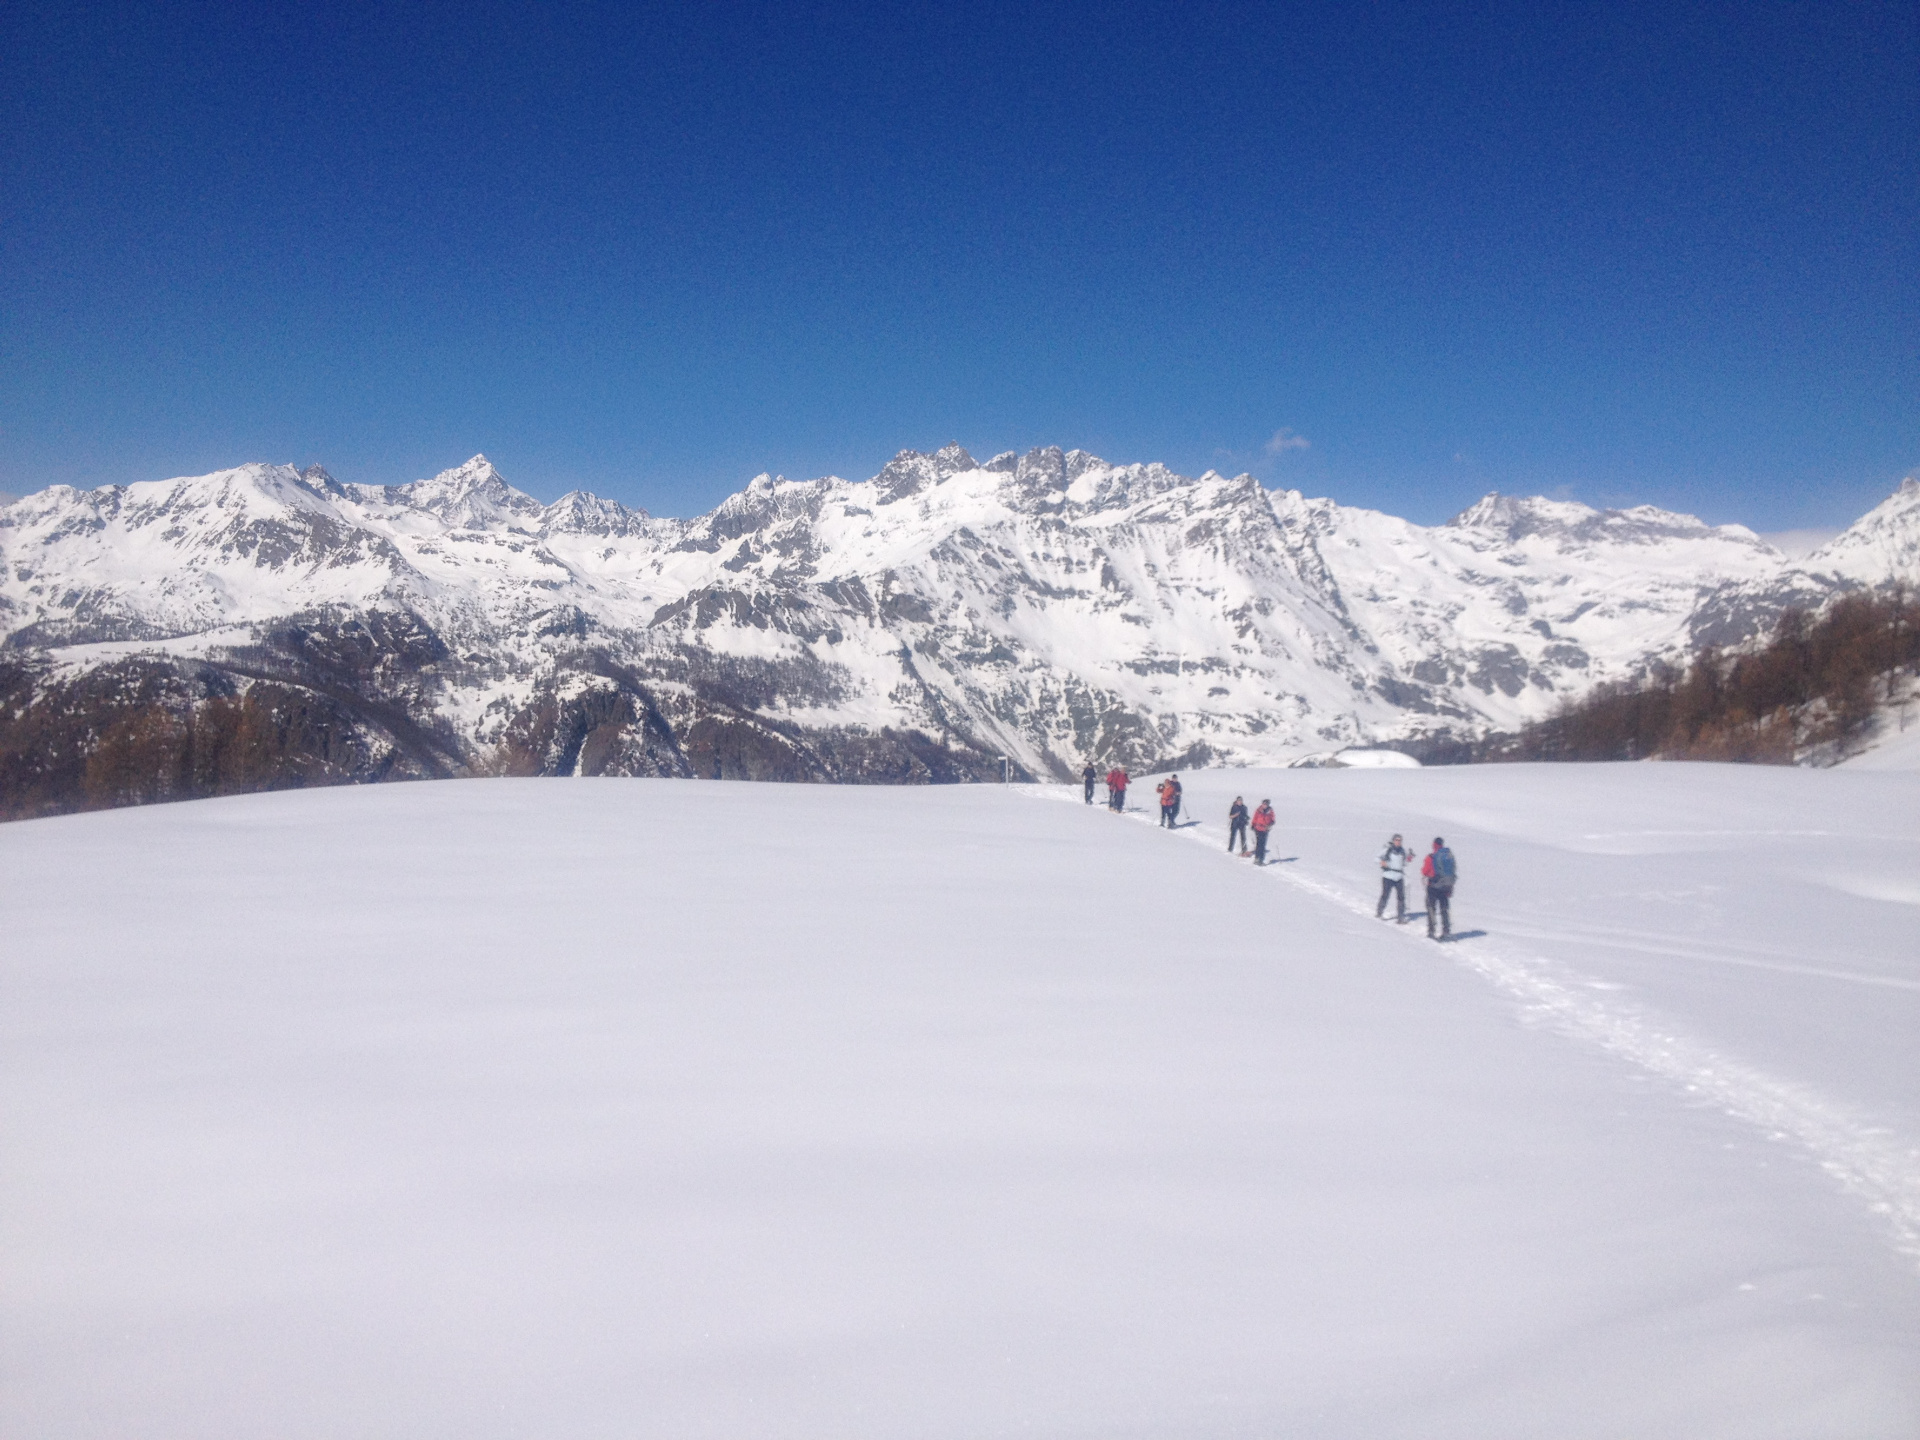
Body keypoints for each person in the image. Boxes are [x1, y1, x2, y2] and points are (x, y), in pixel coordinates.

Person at [1422, 836, 1457, 939]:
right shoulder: (1448, 856)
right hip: (1446, 886)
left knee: (1431, 908)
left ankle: (1432, 931)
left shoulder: (1431, 857)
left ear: (1433, 845)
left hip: (1433, 886)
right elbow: (1453, 871)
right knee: (1444, 909)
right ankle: (1446, 930)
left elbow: (1424, 871)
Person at [1376, 833, 1410, 921]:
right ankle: (1379, 912)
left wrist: (1409, 859)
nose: (1398, 842)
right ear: (1393, 840)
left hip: (1399, 876)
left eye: (1400, 840)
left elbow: (1404, 863)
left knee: (1401, 897)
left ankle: (1400, 916)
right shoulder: (1388, 849)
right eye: (1397, 840)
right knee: (1385, 895)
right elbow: (1376, 858)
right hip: (1388, 875)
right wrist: (1382, 862)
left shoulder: (1402, 851)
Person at [1250, 799, 1276, 864]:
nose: (1264, 805)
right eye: (1263, 804)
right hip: (1258, 828)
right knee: (1259, 844)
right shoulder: (1258, 810)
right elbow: (1255, 817)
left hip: (1265, 829)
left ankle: (1261, 859)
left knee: (1263, 845)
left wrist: (1271, 823)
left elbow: (1272, 818)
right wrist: (1253, 824)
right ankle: (1257, 858)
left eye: (1266, 804)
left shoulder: (1270, 811)